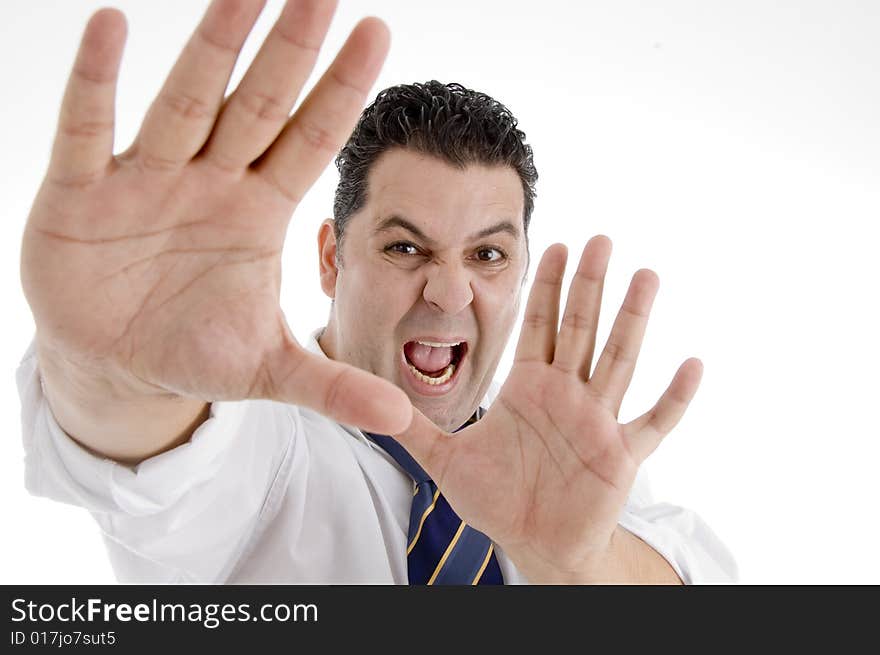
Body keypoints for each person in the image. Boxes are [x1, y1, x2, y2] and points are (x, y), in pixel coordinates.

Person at [17, 0, 736, 584]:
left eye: (487, 253)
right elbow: (154, 460)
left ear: (518, 273)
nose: (450, 293)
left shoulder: (571, 468)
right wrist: (113, 372)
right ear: (331, 258)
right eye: (404, 246)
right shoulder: (258, 441)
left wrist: (578, 564)